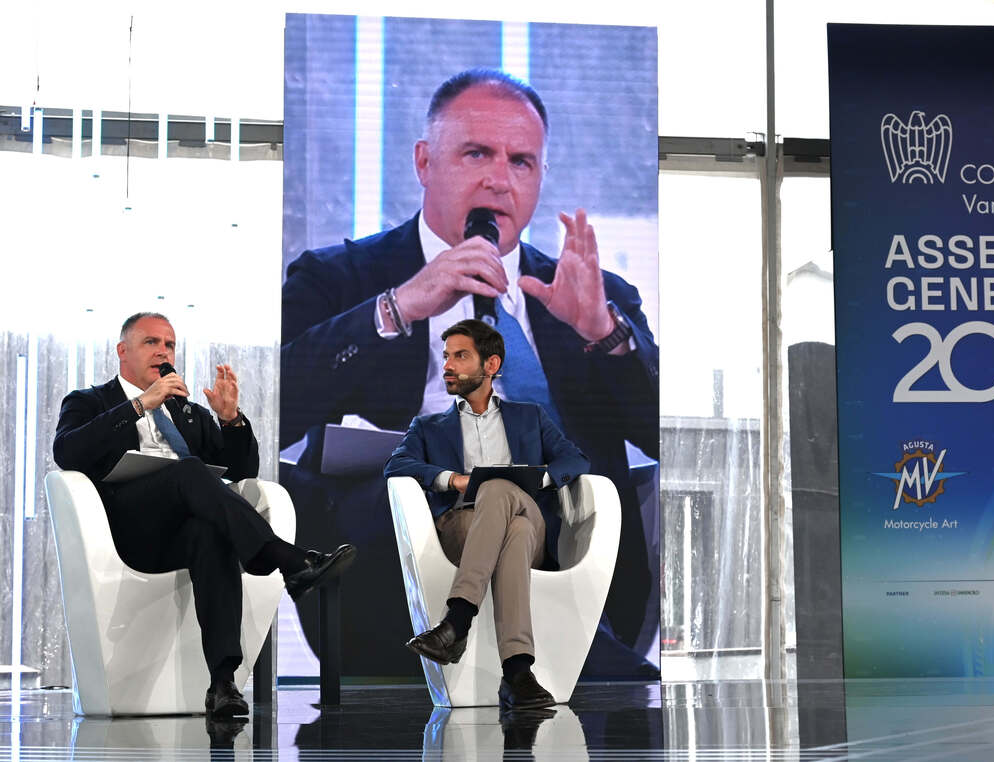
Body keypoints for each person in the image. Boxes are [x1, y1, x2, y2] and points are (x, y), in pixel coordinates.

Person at [280, 68, 658, 675]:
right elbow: (272, 413)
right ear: (425, 161)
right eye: (477, 153)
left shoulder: (592, 297)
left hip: (566, 539)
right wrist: (398, 307)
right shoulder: (337, 278)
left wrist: (604, 334)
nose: (498, 179)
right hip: (391, 548)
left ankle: (556, 657)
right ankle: (574, 666)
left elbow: (664, 438)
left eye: (521, 162)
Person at [53, 312, 356, 718]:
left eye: (170, 345)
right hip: (125, 530)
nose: (163, 352)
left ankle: (222, 683)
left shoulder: (186, 411)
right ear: (123, 351)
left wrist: (230, 420)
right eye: (151, 343)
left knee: (210, 534)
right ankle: (286, 559)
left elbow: (241, 471)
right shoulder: (90, 401)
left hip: (177, 534)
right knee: (189, 470)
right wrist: (141, 404)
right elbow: (67, 452)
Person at [385, 319, 588, 709]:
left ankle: (456, 622)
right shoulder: (428, 426)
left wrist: (538, 479)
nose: (448, 365)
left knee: (500, 492)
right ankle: (517, 673)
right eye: (446, 356)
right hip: (463, 527)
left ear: (490, 365)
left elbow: (575, 459)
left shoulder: (530, 417)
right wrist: (453, 480)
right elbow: (395, 466)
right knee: (512, 530)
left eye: (461, 356)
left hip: (530, 517)